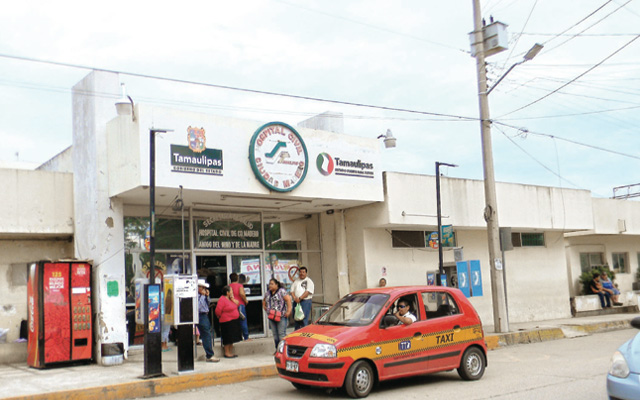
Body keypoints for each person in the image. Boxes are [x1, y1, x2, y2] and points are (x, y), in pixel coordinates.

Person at [263, 278, 292, 349]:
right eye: (269, 284)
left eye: (272, 284)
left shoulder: (281, 291)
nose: (270, 285)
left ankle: (283, 350)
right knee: (275, 335)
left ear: (276, 285)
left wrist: (288, 311)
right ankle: (277, 350)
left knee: (281, 334)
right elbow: (264, 300)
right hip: (271, 316)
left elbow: (288, 300)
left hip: (281, 316)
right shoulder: (268, 293)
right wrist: (265, 307)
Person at [215, 285, 243, 358]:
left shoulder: (231, 299)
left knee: (232, 338)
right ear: (227, 292)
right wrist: (220, 316)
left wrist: (232, 299)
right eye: (231, 291)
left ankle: (230, 352)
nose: (232, 292)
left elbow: (238, 303)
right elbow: (218, 311)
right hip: (226, 322)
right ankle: (227, 352)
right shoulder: (222, 299)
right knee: (227, 338)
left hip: (233, 321)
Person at [197, 279, 219, 362]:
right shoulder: (196, 296)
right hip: (199, 314)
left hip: (204, 314)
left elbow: (208, 303)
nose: (204, 289)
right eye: (203, 288)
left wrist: (206, 296)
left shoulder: (203, 295)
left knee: (206, 334)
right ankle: (209, 355)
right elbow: (198, 306)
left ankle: (209, 354)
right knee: (206, 334)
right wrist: (203, 296)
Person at [229, 272, 250, 341]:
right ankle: (246, 337)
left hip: (232, 305)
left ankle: (235, 337)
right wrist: (245, 300)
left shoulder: (229, 286)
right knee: (243, 320)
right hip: (240, 305)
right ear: (237, 278)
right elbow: (242, 294)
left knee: (234, 322)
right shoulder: (239, 285)